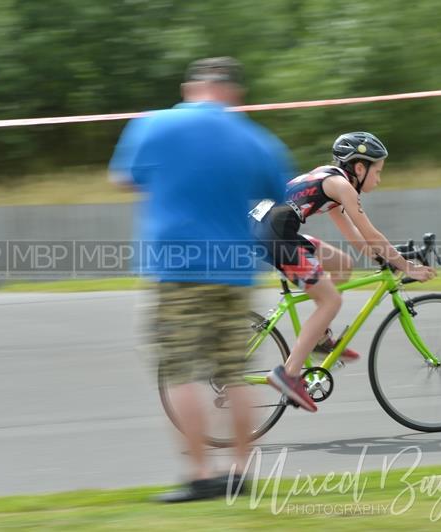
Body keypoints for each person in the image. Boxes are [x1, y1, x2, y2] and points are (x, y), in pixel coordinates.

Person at [109, 57, 293, 502]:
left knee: (178, 370)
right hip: (235, 270)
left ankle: (198, 475)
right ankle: (241, 473)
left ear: (192, 87)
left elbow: (123, 180)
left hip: (176, 269)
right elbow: (278, 200)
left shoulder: (153, 125)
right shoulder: (258, 140)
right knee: (233, 371)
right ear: (234, 94)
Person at [252, 132, 436, 412]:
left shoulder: (332, 184)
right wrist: (407, 267)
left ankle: (319, 338)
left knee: (342, 264)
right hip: (274, 236)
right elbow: (371, 233)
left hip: (270, 229)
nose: (379, 179)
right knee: (331, 301)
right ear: (359, 168)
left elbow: (359, 241)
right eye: (378, 171)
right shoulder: (342, 186)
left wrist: (389, 256)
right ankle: (288, 375)